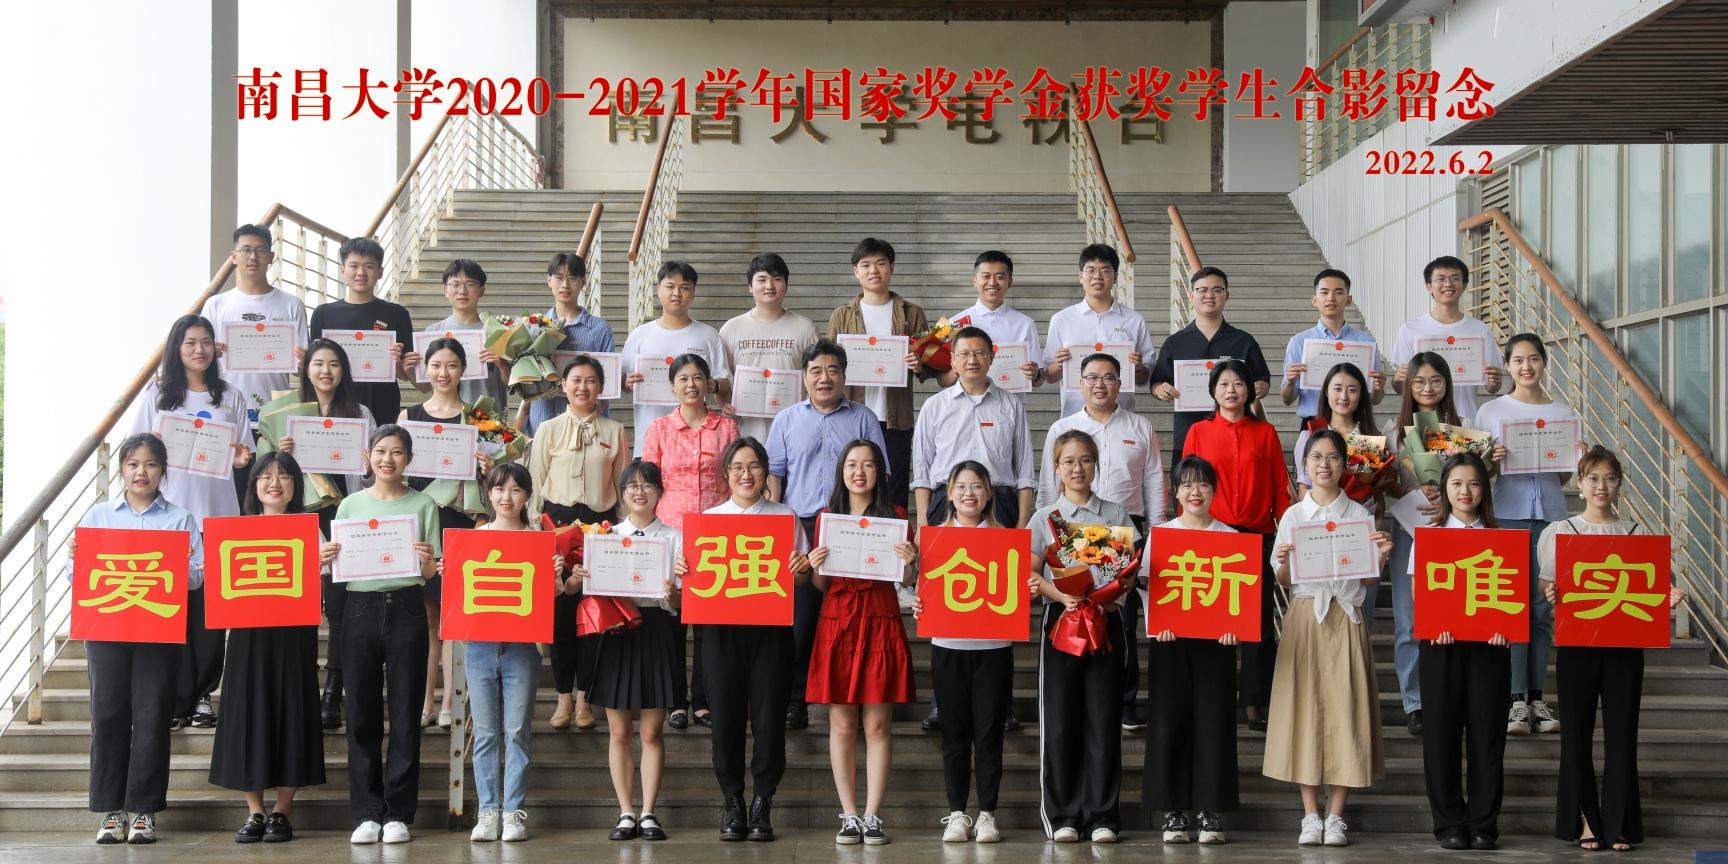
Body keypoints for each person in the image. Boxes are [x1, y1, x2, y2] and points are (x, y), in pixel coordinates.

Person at [1540, 446, 1685, 853]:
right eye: (1592, 478)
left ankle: (1620, 823)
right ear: (1579, 483)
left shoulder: (1636, 533)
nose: (1601, 486)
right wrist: (1550, 592)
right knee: (1576, 735)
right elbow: (1548, 583)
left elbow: (1651, 590)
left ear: (1619, 483)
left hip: (1623, 646)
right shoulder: (1562, 530)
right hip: (1577, 645)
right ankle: (1586, 820)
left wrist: (1666, 598)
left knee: (1622, 734)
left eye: (1609, 478)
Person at [69, 433, 204, 845]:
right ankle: (111, 812)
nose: (141, 472)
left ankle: (144, 811)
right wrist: (75, 558)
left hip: (158, 632)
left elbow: (195, 580)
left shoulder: (180, 519)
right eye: (132, 464)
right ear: (121, 469)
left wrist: (183, 564)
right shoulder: (98, 516)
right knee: (108, 714)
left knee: (152, 716)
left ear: (163, 470)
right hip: (106, 630)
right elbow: (78, 578)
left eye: (150, 464)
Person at [1264, 429, 1391, 848]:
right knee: (1305, 710)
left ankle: (1336, 815)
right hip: (1306, 615)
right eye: (1316, 457)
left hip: (1346, 615)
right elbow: (1284, 579)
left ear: (1344, 464)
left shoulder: (1359, 515)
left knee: (1345, 710)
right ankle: (1309, 815)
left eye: (1333, 457)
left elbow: (1367, 580)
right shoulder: (1293, 516)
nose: (1324, 464)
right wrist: (1284, 561)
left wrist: (1381, 558)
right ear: (1305, 465)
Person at [681, 438, 811, 842]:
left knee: (769, 720)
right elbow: (695, 579)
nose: (746, 474)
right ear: (726, 474)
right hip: (722, 634)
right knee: (726, 720)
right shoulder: (710, 519)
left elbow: (801, 578)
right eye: (737, 467)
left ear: (765, 472)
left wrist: (801, 568)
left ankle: (763, 802)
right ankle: (733, 800)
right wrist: (684, 567)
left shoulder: (785, 517)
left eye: (754, 466)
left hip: (771, 634)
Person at [128, 314, 253, 730]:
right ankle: (173, 698)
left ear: (216, 347)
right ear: (176, 348)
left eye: (205, 342)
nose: (199, 350)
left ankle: (201, 695)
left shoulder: (230, 396)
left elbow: (244, 453)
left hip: (219, 516)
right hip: (169, 518)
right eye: (190, 342)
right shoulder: (157, 394)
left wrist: (241, 460)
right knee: (171, 610)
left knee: (210, 617)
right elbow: (136, 450)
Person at [1039, 351, 1167, 734]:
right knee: (1073, 609)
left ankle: (1124, 701)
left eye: (1109, 377)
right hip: (1069, 528)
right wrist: (1049, 529)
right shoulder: (1062, 428)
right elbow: (1048, 485)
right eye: (1092, 377)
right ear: (1079, 384)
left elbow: (1154, 481)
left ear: (1120, 384)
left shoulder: (1140, 426)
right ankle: (1076, 695)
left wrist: (1156, 536)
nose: (1100, 384)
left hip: (1123, 528)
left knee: (1121, 618)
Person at [766, 340, 887, 731]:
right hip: (802, 526)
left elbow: (879, 473)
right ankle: (795, 701)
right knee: (800, 621)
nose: (824, 378)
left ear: (844, 375)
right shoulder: (786, 419)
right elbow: (775, 478)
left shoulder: (864, 418)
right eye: (816, 370)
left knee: (851, 617)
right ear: (804, 376)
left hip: (852, 525)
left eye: (832, 370)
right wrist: (777, 528)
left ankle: (855, 695)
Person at [210, 453, 330, 844]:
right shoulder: (237, 530)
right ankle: (255, 811)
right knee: (247, 712)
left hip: (294, 635)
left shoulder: (309, 530)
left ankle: (282, 810)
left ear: (296, 485)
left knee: (293, 711)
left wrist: (320, 563)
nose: (274, 483)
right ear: (254, 485)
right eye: (265, 475)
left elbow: (322, 584)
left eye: (284, 476)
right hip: (248, 635)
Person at [1030, 429, 1138, 844]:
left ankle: (1102, 816)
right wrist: (1061, 595)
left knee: (1103, 720)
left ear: (1096, 464)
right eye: (1069, 461)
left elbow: (1128, 571)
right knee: (1060, 722)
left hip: (1106, 624)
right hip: (1062, 624)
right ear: (1056, 468)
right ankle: (1063, 816)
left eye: (1085, 460)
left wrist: (1118, 589)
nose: (1078, 468)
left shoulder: (1115, 513)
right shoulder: (1044, 517)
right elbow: (1029, 574)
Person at [807, 440, 916, 846]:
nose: (859, 471)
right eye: (852, 464)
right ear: (842, 471)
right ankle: (849, 814)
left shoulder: (896, 517)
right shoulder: (827, 518)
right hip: (838, 622)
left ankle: (872, 815)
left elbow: (906, 581)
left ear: (879, 473)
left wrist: (910, 562)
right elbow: (821, 584)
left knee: (877, 724)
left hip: (880, 619)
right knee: (841, 724)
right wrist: (816, 566)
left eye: (868, 465)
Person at [338, 424, 442, 846]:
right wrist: (330, 556)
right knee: (361, 713)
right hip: (359, 608)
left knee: (404, 713)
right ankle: (366, 811)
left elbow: (430, 572)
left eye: (397, 452)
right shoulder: (349, 505)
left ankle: (398, 812)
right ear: (368, 456)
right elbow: (340, 565)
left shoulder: (424, 504)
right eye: (381, 451)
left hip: (406, 607)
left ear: (409, 459)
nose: (388, 459)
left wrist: (428, 560)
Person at [1181, 358, 1290, 733]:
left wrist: (1285, 530)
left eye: (1238, 383)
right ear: (1213, 391)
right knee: (1213, 619)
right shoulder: (1199, 431)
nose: (1231, 390)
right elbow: (1187, 485)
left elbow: (1279, 486)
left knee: (1258, 623)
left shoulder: (1266, 432)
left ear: (1249, 390)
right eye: (1224, 384)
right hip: (1212, 536)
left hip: (1257, 536)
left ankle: (1255, 701)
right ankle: (1211, 695)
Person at [1479, 333, 1580, 736]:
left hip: (1552, 519)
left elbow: (1563, 477)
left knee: (1541, 611)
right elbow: (1478, 472)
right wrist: (1492, 460)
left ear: (1544, 363)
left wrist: (1574, 456)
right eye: (1518, 360)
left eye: (1534, 359)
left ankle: (1537, 696)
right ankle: (1515, 699)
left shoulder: (1562, 411)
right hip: (1507, 515)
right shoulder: (1491, 411)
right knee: (1513, 609)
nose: (1526, 366)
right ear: (1507, 365)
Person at [909, 462, 1016, 844]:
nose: (969, 494)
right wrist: (917, 603)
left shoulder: (1005, 540)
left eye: (977, 487)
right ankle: (957, 813)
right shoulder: (935, 539)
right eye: (961, 487)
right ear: (950, 494)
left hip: (994, 650)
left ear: (989, 494)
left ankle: (987, 814)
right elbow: (919, 591)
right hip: (949, 648)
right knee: (954, 735)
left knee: (989, 735)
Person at [577, 461, 681, 843]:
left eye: (647, 486)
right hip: (616, 631)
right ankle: (625, 812)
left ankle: (649, 812)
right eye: (632, 486)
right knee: (619, 731)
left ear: (660, 493)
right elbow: (587, 592)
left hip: (656, 629)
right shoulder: (605, 536)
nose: (640, 492)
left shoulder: (674, 538)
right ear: (621, 494)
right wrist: (582, 577)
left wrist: (673, 594)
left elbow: (683, 601)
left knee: (651, 732)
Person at [276, 338, 377, 730]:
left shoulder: (360, 414)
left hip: (343, 519)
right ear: (307, 370)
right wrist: (280, 452)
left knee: (337, 609)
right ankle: (298, 689)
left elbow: (374, 478)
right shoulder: (289, 413)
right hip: (300, 520)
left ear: (344, 371)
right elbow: (270, 477)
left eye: (334, 364)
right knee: (298, 607)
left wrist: (367, 466)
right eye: (318, 363)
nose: (325, 371)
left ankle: (333, 691)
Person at [526, 355, 629, 731]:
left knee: (593, 616)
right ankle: (563, 697)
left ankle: (586, 697)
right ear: (564, 386)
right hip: (556, 528)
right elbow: (535, 484)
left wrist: (621, 535)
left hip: (599, 531)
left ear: (601, 387)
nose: (583, 387)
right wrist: (536, 533)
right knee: (560, 618)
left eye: (591, 380)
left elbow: (621, 486)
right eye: (576, 380)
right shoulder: (548, 429)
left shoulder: (615, 430)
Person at [399, 338, 496, 730]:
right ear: (426, 369)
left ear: (463, 371)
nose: (443, 373)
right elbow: (394, 471)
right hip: (421, 524)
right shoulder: (408, 416)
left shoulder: (480, 417)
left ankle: (452, 701)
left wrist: (489, 469)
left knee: (453, 619)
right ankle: (425, 700)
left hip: (460, 524)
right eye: (436, 365)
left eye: (452, 365)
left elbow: (502, 479)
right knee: (426, 620)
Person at [1416, 452, 1511, 851]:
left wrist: (1507, 628)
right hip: (1442, 646)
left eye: (1473, 483)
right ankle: (1450, 822)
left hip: (1490, 647)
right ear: (1444, 490)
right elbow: (1419, 595)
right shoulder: (1430, 537)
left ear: (1484, 489)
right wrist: (1433, 624)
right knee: (1441, 735)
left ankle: (1484, 823)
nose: (1465, 491)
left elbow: (1512, 598)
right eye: (1456, 484)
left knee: (1488, 736)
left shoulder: (1502, 539)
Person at [641, 353, 739, 731]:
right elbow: (648, 483)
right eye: (683, 379)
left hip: (715, 536)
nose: (691, 385)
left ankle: (702, 700)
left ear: (709, 383)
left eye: (698, 377)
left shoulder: (726, 427)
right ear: (672, 386)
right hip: (670, 533)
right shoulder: (659, 429)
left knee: (708, 624)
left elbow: (735, 479)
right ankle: (675, 701)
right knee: (671, 621)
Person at [1145, 455, 1240, 846]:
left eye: (1202, 484)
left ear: (1214, 491)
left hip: (1216, 646)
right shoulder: (1162, 535)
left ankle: (1209, 809)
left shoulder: (1230, 537)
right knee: (1170, 723)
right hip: (1171, 643)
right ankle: (1173, 811)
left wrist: (1235, 628)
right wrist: (1158, 622)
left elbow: (1240, 596)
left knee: (1214, 724)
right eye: (1186, 484)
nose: (1195, 491)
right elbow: (1149, 585)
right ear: (1175, 492)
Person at [464, 463, 552, 844]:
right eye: (499, 489)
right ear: (489, 494)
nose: (506, 497)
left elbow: (547, 597)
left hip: (521, 647)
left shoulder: (538, 540)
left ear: (527, 496)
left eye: (516, 490)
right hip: (479, 645)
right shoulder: (475, 537)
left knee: (517, 731)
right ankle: (487, 812)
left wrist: (555, 577)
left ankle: (513, 812)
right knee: (485, 733)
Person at [1383, 352, 1463, 736]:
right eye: (1419, 381)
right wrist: (1410, 490)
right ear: (1407, 386)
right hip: (1408, 528)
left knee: (1451, 615)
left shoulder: (1461, 430)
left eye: (1435, 380)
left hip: (1452, 531)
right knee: (1408, 620)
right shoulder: (1391, 431)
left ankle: (1447, 694)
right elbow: (1382, 482)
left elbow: (1475, 482)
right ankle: (1414, 702)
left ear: (1447, 384)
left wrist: (1447, 496)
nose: (1427, 388)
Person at [826, 237, 933, 507]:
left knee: (893, 490)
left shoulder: (912, 313)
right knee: (850, 485)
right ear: (856, 271)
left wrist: (919, 364)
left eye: (880, 263)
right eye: (866, 265)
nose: (873, 270)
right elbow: (828, 363)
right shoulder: (841, 315)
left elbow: (930, 365)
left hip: (895, 420)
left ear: (891, 267)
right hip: (851, 415)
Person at [912, 326, 1035, 529]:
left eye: (979, 353)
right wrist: (922, 525)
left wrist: (1022, 523)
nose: (972, 360)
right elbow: (922, 469)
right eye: (964, 354)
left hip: (1000, 505)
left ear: (991, 357)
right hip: (946, 505)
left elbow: (1025, 470)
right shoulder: (934, 406)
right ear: (953, 360)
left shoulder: (1012, 405)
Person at [1293, 362, 1388, 624]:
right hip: (1318, 536)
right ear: (1326, 392)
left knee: (1360, 612)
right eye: (1337, 389)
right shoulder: (1310, 434)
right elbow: (1303, 491)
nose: (1344, 396)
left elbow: (1376, 491)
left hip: (1358, 536)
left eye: (1352, 389)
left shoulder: (1371, 438)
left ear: (1362, 395)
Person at [1150, 265, 1273, 463]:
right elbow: (1157, 382)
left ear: (1227, 295)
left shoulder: (1244, 341)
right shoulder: (1175, 342)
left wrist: (1260, 387)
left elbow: (1263, 381)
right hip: (1188, 436)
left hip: (1236, 437)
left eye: (1217, 290)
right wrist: (1160, 389)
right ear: (1191, 295)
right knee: (1190, 483)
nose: (1209, 295)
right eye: (1202, 290)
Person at [200, 223, 309, 428]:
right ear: (234, 256)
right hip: (225, 410)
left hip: (275, 413)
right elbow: (200, 361)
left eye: (260, 251)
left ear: (271, 256)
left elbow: (302, 368)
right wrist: (210, 352)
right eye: (246, 250)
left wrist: (305, 361)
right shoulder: (216, 305)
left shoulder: (292, 305)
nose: (253, 257)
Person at [621, 261, 731, 453]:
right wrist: (626, 381)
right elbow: (620, 380)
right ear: (658, 290)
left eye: (685, 288)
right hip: (649, 440)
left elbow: (725, 381)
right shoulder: (640, 335)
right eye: (670, 286)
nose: (677, 293)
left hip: (698, 444)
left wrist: (713, 385)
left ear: (693, 293)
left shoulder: (708, 335)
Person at [306, 236, 414, 424]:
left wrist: (397, 363)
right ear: (342, 270)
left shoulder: (397, 314)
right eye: (354, 266)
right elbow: (314, 366)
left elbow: (405, 374)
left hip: (382, 404)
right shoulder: (323, 314)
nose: (361, 273)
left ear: (380, 272)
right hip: (334, 406)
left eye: (369, 266)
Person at [1041, 244, 1156, 419]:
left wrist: (1138, 368)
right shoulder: (1062, 319)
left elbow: (1144, 379)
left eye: (1105, 270)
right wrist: (1059, 364)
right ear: (1080, 276)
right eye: (1091, 270)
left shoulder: (1134, 320)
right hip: (1075, 417)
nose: (1097, 276)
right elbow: (1049, 376)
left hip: (1121, 417)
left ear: (1116, 277)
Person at [718, 252, 820, 443]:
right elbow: (723, 376)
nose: (769, 286)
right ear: (750, 286)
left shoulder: (805, 328)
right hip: (744, 431)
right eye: (762, 279)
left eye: (777, 279)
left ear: (786, 285)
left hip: (793, 430)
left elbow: (815, 375)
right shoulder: (731, 329)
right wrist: (724, 404)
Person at [1390, 255, 1503, 423]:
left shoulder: (1479, 329)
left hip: (1465, 420)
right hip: (1424, 421)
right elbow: (1401, 388)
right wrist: (1398, 379)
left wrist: (1494, 382)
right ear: (1428, 286)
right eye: (1440, 279)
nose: (1448, 284)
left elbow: (1492, 387)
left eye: (1455, 278)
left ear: (1464, 285)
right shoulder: (1410, 329)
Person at [520, 252, 616, 436]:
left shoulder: (600, 329)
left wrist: (598, 407)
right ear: (549, 280)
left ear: (583, 282)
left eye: (572, 278)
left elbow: (608, 381)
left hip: (588, 427)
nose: (565, 285)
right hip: (544, 419)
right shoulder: (532, 327)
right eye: (559, 277)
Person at [1278, 268, 1385, 425]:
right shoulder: (1299, 342)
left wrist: (1378, 388)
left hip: (1353, 424)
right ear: (1314, 300)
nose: (1331, 298)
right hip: (1314, 425)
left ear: (1349, 300)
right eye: (1324, 292)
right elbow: (1287, 399)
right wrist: (1290, 381)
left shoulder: (1366, 341)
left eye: (1338, 292)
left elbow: (1375, 400)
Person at [937, 250, 1043, 404]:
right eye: (985, 276)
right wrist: (958, 367)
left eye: (1000, 277)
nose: (992, 283)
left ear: (1010, 282)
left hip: (1010, 408)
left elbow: (1039, 380)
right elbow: (941, 381)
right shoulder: (951, 324)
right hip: (964, 408)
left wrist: (1035, 374)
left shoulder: (1025, 323)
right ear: (974, 280)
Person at [404, 259, 509, 410]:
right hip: (446, 416)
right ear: (445, 290)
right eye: (455, 284)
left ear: (481, 290)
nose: (462, 291)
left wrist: (503, 365)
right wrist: (409, 371)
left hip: (489, 418)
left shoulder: (497, 331)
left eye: (470, 284)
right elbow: (425, 387)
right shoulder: (433, 332)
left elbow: (513, 384)